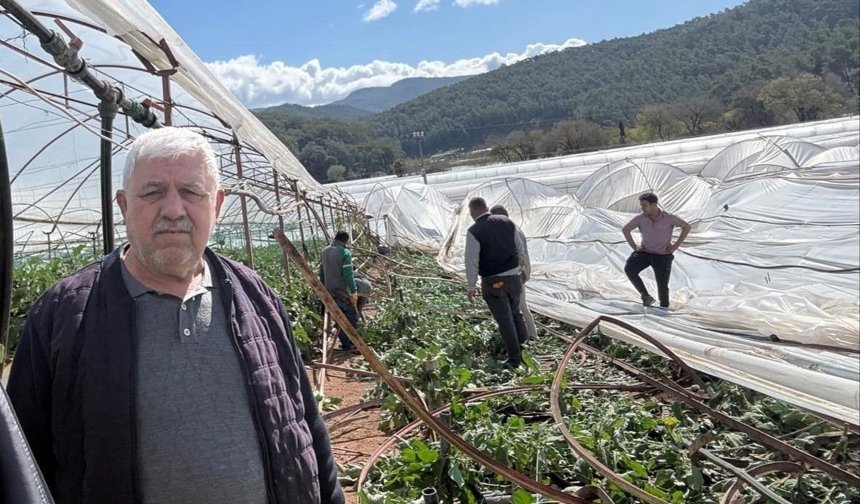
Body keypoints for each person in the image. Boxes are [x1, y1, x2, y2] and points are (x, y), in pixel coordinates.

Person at [7, 127, 344, 504]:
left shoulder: (258, 298)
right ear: (123, 206)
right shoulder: (62, 315)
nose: (173, 209)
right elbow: (21, 464)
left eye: (191, 192)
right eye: (152, 193)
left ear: (216, 205)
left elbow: (307, 429)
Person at [465, 197, 529, 369]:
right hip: (513, 277)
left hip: (493, 281)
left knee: (505, 319)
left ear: (472, 211)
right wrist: (520, 267)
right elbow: (519, 248)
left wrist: (471, 285)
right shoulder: (507, 221)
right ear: (486, 207)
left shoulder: (474, 231)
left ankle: (515, 359)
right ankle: (527, 350)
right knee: (516, 313)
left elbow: (471, 260)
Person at [622, 192, 691, 309]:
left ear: (654, 205)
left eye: (645, 205)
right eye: (642, 205)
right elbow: (626, 229)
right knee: (630, 269)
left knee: (662, 285)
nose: (642, 208)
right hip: (645, 252)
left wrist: (675, 245)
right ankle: (645, 295)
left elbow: (686, 227)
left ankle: (664, 308)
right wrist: (634, 247)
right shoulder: (641, 218)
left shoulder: (668, 218)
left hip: (662, 255)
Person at [489, 204, 537, 341]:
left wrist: (520, 272)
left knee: (520, 305)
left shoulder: (512, 230)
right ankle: (525, 334)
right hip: (513, 273)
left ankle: (531, 335)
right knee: (515, 305)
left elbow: (519, 254)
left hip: (517, 273)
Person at [319, 230, 359, 352]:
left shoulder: (324, 251)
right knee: (351, 318)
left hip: (329, 291)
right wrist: (353, 291)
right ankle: (351, 344)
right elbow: (348, 274)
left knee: (338, 318)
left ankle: (346, 344)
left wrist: (323, 289)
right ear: (345, 241)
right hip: (341, 292)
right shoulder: (344, 252)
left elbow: (321, 272)